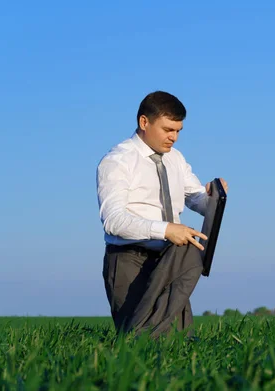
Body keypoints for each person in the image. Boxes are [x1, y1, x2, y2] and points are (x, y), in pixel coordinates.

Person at [96, 91, 228, 338]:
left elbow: (197, 200)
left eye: (178, 131)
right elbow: (113, 221)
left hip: (170, 259)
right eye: (168, 129)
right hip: (128, 261)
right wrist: (166, 229)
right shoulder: (117, 161)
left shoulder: (175, 159)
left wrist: (211, 195)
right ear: (144, 122)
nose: (174, 138)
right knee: (136, 339)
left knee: (177, 341)